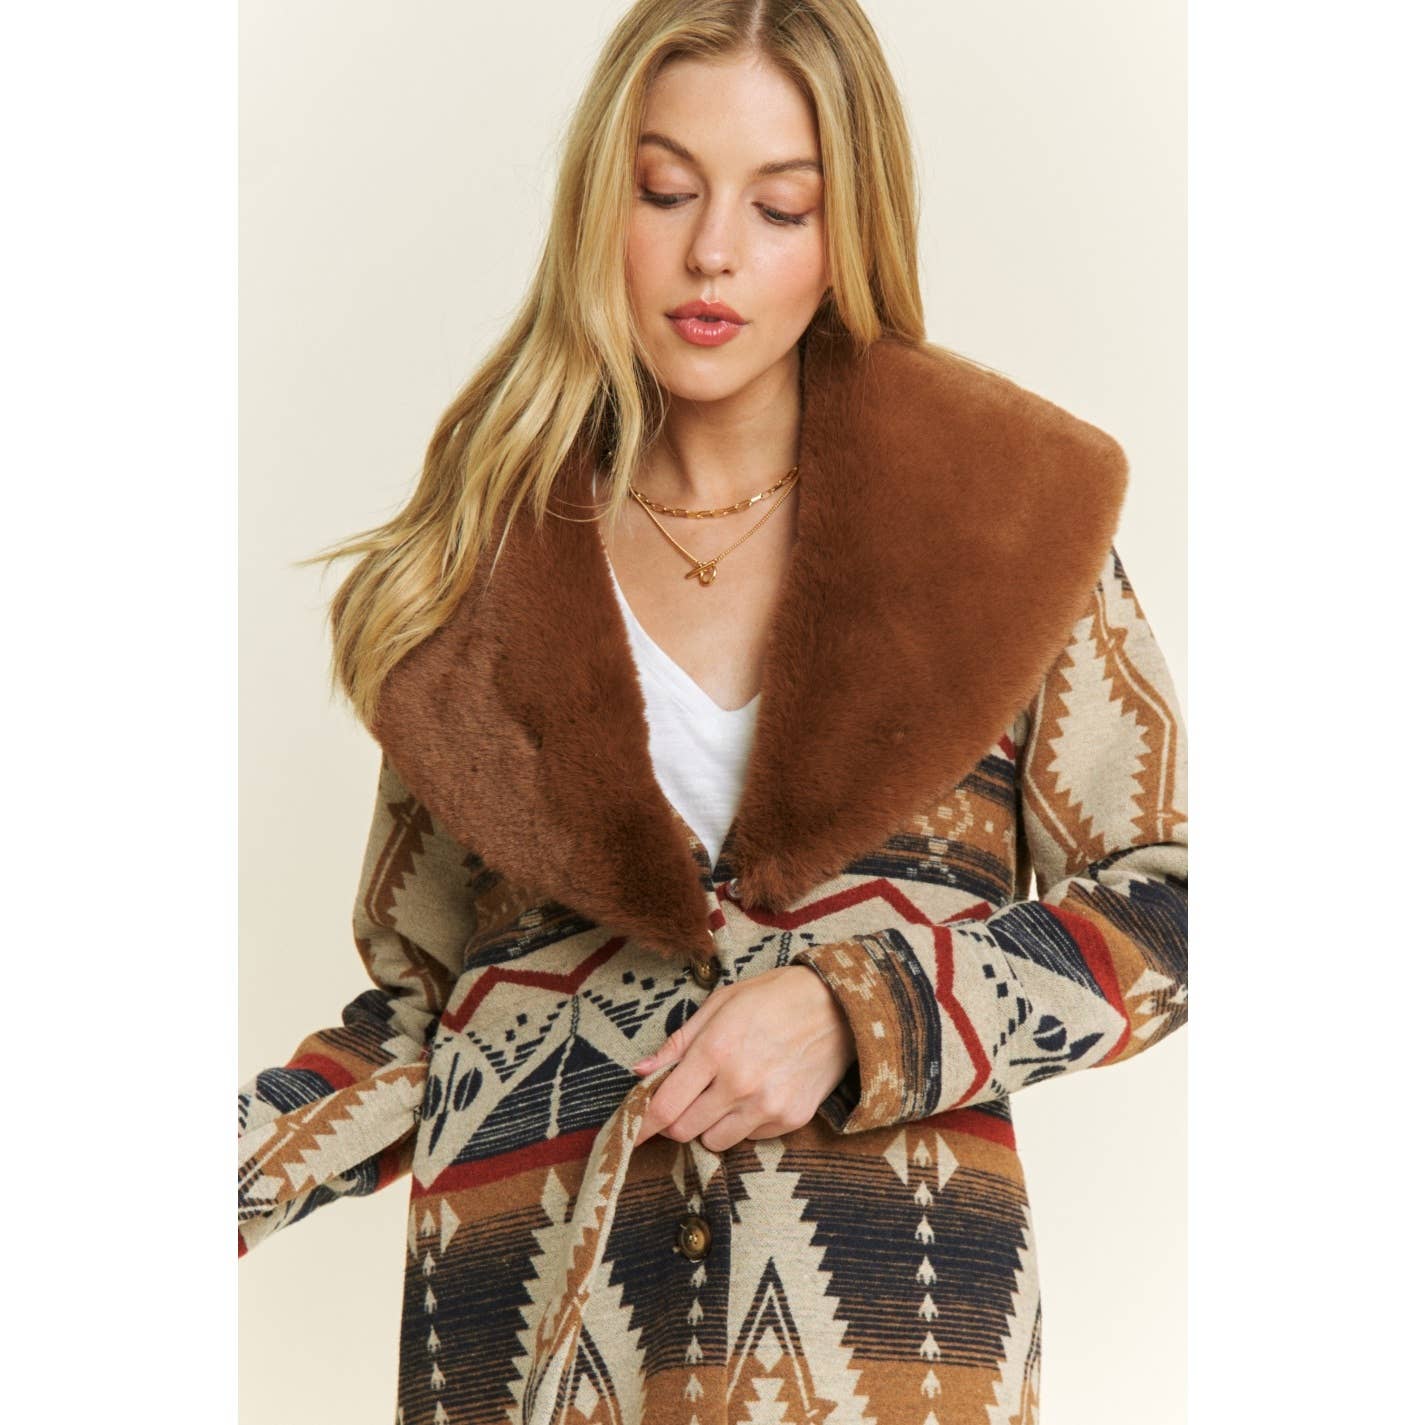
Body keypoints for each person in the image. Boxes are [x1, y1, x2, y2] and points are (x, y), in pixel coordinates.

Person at [237, 2, 1187, 1421]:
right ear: (596, 206)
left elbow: (1175, 905)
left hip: (879, 1349)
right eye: (664, 191)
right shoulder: (479, 565)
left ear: (847, 225)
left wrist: (862, 1011)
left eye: (779, 206)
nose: (712, 254)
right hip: (526, 1345)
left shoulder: (1000, 517)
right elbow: (426, 1009)